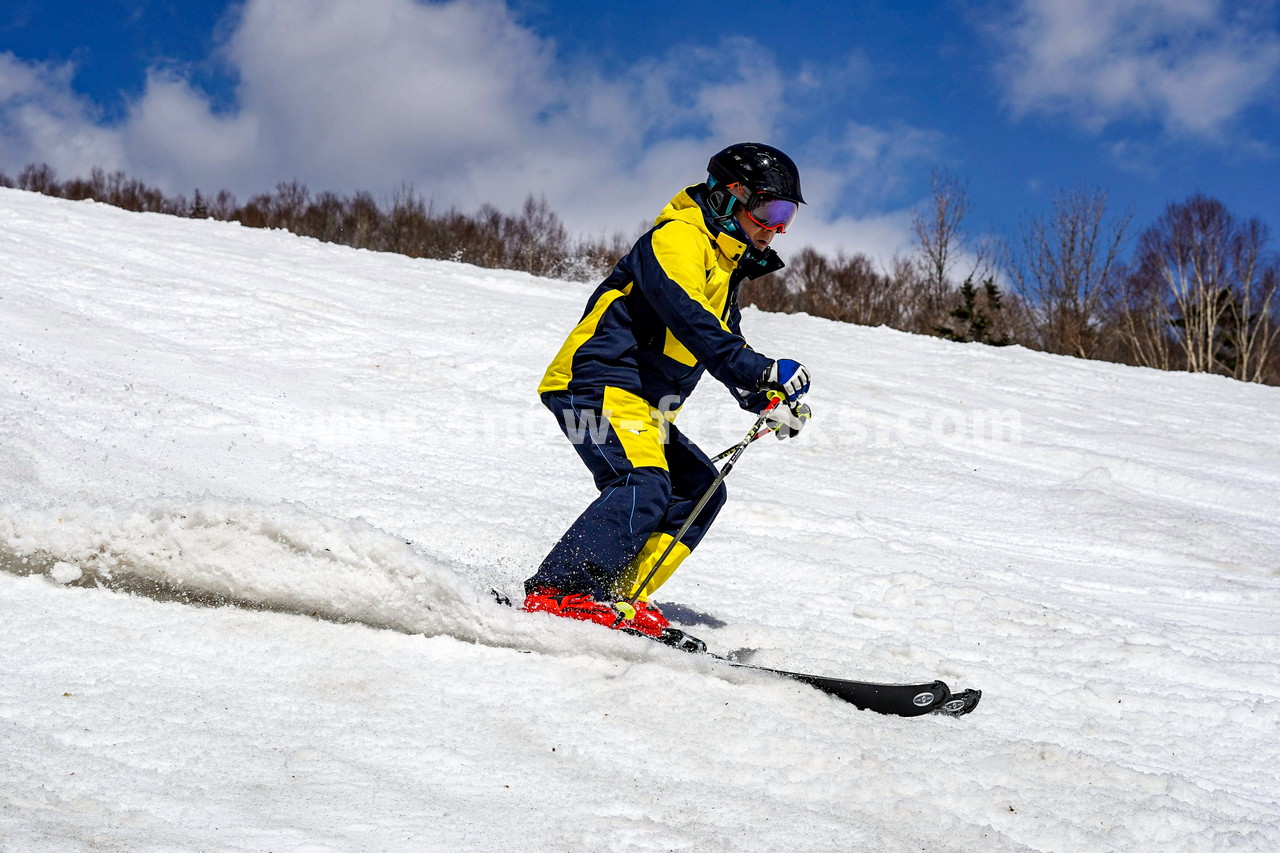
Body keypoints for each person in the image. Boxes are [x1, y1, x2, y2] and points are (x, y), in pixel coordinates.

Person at [523, 142, 813, 640]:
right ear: (727, 196)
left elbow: (719, 343)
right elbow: (689, 319)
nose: (777, 226)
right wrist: (760, 370)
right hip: (595, 385)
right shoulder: (678, 238)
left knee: (699, 489)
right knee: (644, 481)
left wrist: (763, 398)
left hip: (639, 403)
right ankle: (561, 592)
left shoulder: (723, 268)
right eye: (769, 209)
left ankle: (618, 593)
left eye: (786, 215)